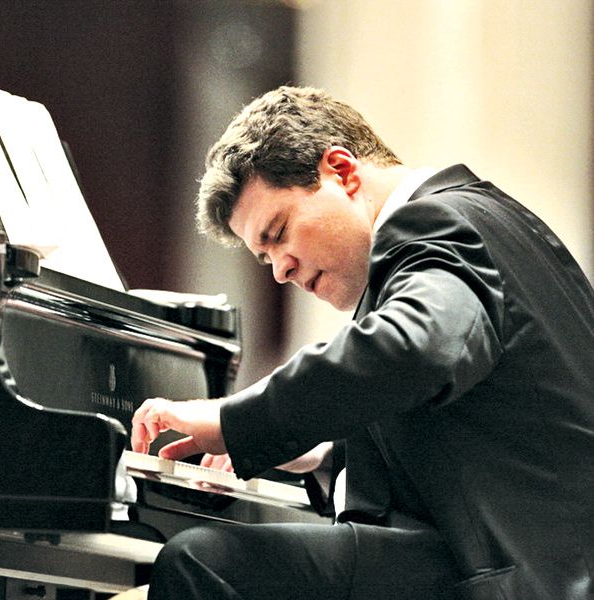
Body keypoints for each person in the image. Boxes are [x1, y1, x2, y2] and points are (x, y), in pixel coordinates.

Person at [131, 86, 594, 600]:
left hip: (522, 582)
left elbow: (416, 349)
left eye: (279, 232)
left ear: (342, 171)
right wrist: (320, 452)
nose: (280, 270)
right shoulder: (492, 222)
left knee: (203, 562)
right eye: (265, 258)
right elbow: (482, 418)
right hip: (526, 568)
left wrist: (234, 420)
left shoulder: (435, 224)